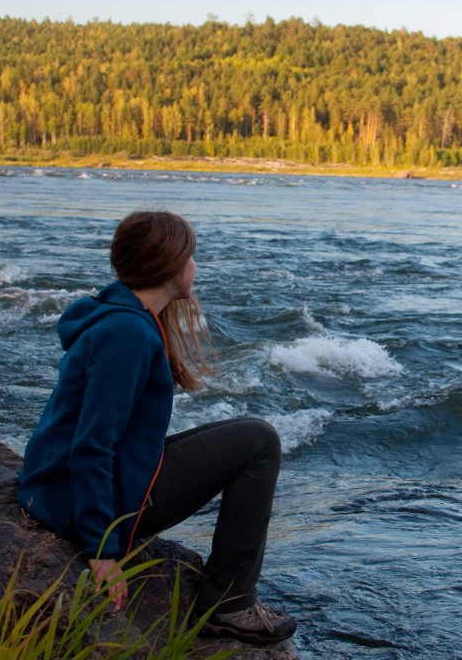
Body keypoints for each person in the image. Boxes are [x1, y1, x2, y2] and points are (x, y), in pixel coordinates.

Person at [16, 210, 297, 644]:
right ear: (169, 267)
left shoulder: (120, 314)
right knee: (260, 441)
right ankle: (229, 604)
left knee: (250, 431)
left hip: (55, 488)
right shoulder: (127, 334)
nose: (195, 267)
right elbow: (92, 444)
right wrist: (102, 550)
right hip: (72, 503)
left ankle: (229, 596)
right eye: (191, 257)